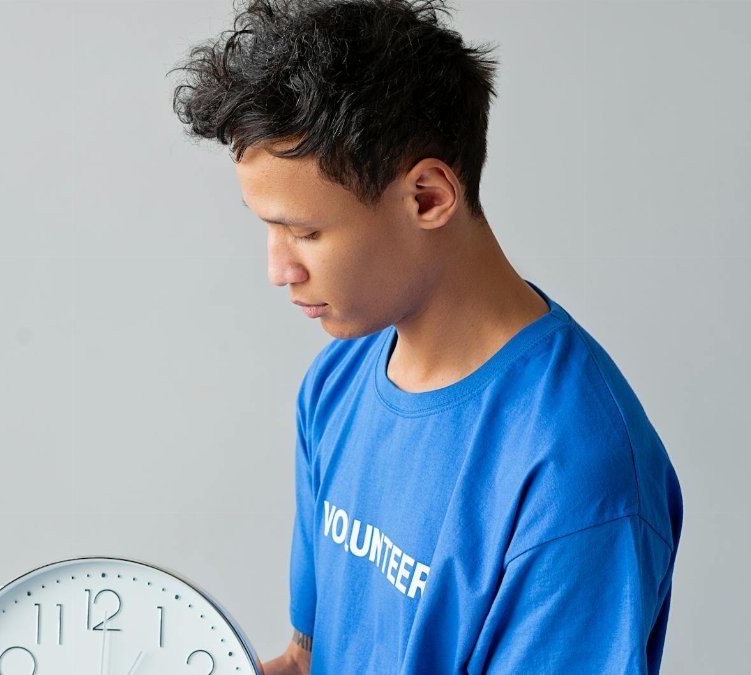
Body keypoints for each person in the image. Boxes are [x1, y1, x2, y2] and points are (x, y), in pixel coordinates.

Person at [169, 0, 683, 673]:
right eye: (267, 227)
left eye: (305, 232)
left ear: (428, 197)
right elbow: (309, 658)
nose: (278, 269)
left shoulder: (577, 474)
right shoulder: (337, 383)